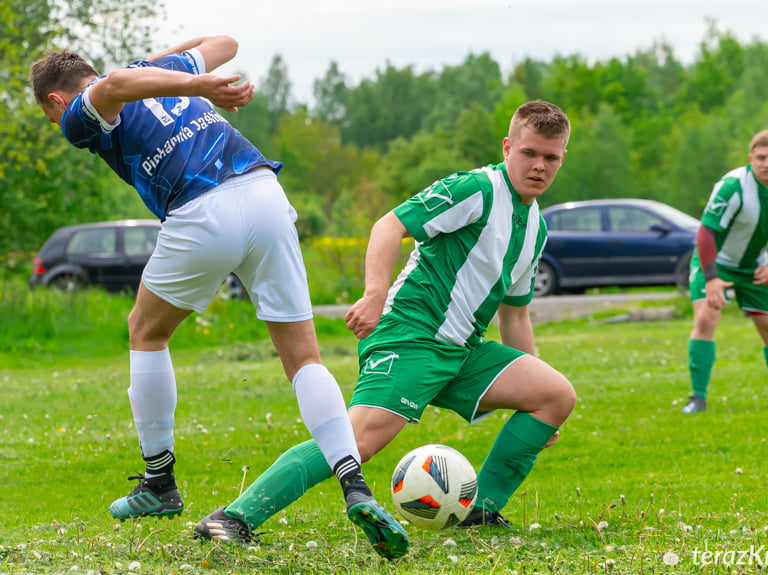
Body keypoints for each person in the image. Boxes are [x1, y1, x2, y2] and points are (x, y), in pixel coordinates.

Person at [29, 37, 407, 560]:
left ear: (54, 101)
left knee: (146, 330)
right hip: (265, 195)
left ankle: (159, 482)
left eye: (52, 117)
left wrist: (194, 82)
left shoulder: (79, 111)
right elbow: (223, 42)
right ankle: (354, 486)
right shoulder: (147, 73)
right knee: (303, 359)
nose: (60, 125)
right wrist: (175, 69)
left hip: (203, 207)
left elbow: (112, 85)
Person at [193, 100, 578, 544]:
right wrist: (374, 295)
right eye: (529, 153)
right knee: (357, 441)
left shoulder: (535, 225)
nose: (539, 166)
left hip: (462, 350)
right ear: (508, 147)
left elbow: (516, 313)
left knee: (554, 396)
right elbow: (388, 225)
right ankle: (232, 518)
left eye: (551, 157)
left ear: (562, 159)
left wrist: (530, 387)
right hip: (410, 336)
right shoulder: (478, 189)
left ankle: (480, 514)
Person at [682, 129, 768, 414]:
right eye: (761, 157)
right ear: (751, 158)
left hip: (756, 268)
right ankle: (698, 398)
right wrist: (713, 279)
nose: (767, 163)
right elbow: (706, 232)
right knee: (705, 319)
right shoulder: (732, 185)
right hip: (716, 263)